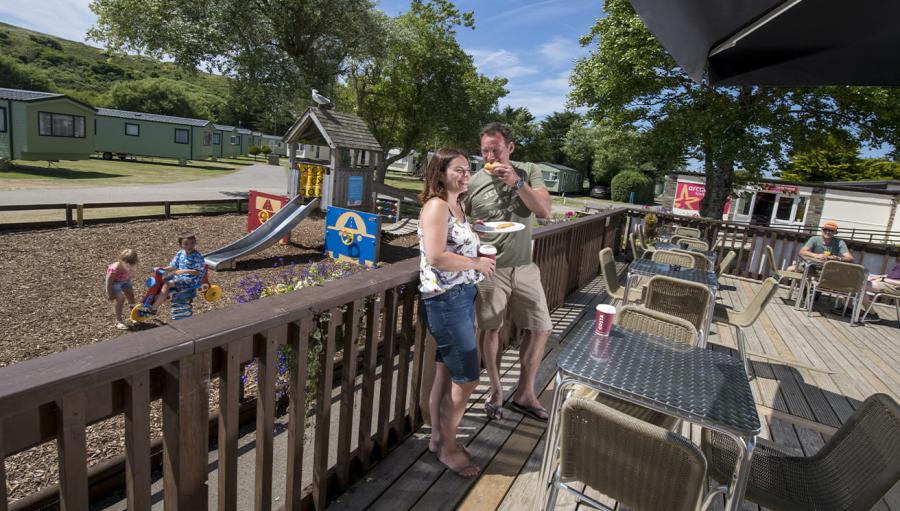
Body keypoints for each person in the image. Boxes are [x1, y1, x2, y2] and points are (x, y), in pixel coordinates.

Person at [465, 122, 553, 422]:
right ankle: (497, 389)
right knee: (491, 330)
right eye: (485, 150)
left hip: (525, 265)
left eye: (496, 150)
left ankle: (525, 393)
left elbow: (543, 211)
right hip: (491, 268)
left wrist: (517, 182)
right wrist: (471, 230)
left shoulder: (528, 170)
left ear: (510, 148)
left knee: (541, 327)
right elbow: (460, 222)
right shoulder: (473, 181)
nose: (490, 156)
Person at [418, 148, 496, 478]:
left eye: (468, 169)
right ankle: (449, 449)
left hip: (462, 296)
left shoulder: (458, 206)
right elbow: (436, 257)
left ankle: (438, 439)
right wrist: (477, 263)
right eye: (458, 170)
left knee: (446, 375)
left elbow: (454, 245)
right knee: (468, 379)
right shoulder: (436, 206)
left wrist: (476, 243)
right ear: (440, 173)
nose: (466, 175)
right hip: (445, 301)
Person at [151, 233, 205, 312]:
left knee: (167, 284)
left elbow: (198, 272)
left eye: (192, 243)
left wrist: (184, 271)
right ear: (181, 245)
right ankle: (158, 298)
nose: (189, 246)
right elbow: (173, 266)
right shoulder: (180, 253)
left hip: (190, 280)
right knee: (161, 282)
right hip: (179, 277)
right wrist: (162, 269)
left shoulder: (197, 256)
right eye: (186, 244)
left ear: (195, 243)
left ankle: (153, 309)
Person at [787, 220, 854, 272]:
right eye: (825, 230)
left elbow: (850, 258)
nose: (827, 232)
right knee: (790, 269)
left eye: (831, 230)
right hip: (811, 266)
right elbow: (802, 251)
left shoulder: (839, 242)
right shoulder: (814, 239)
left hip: (828, 270)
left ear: (835, 233)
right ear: (822, 230)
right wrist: (816, 255)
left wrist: (838, 258)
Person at [105, 248, 138, 330]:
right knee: (120, 299)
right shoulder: (114, 269)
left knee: (131, 296)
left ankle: (133, 315)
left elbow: (131, 273)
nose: (130, 267)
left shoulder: (132, 264)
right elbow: (109, 282)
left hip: (126, 280)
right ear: (121, 261)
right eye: (127, 265)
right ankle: (119, 320)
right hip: (115, 283)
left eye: (132, 265)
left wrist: (131, 271)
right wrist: (109, 293)